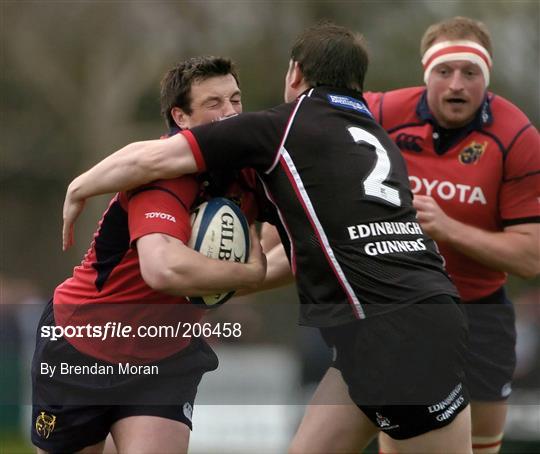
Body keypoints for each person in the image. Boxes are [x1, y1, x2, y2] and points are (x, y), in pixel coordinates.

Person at [62, 22, 474, 452]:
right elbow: (307, 251)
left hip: (392, 331)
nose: (231, 110)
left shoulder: (285, 128)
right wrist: (241, 274)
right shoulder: (376, 137)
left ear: (294, 73)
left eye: (234, 100)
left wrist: (81, 187)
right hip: (399, 321)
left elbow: (154, 156)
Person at [31, 56, 267, 454]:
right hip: (83, 343)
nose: (230, 113)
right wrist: (249, 275)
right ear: (182, 118)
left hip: (166, 356)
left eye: (236, 100)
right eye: (214, 103)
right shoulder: (159, 175)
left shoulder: (251, 172)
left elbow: (282, 256)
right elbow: (162, 269)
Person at [362, 16, 540, 454]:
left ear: (487, 77)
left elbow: (531, 258)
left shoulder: (517, 136)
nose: (456, 84)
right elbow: (306, 131)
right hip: (399, 311)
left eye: (470, 72)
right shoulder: (382, 112)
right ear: (427, 75)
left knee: (481, 448)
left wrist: (448, 229)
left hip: (480, 316)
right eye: (444, 71)